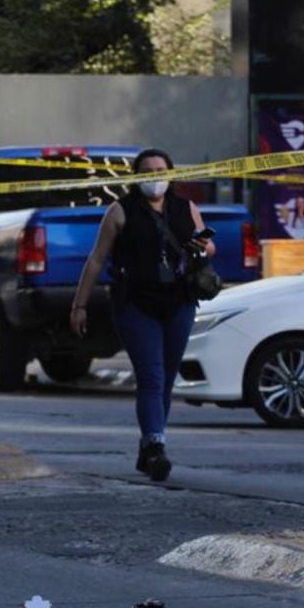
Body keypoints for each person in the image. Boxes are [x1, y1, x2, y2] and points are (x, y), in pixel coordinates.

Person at [69, 148, 213, 482]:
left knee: (166, 376)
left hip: (179, 301)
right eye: (146, 170)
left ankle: (149, 446)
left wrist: (197, 246)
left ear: (171, 173)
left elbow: (208, 242)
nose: (154, 176)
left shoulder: (186, 208)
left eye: (160, 169)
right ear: (136, 176)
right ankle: (156, 446)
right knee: (151, 376)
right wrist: (79, 304)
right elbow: (96, 259)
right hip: (135, 303)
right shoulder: (120, 211)